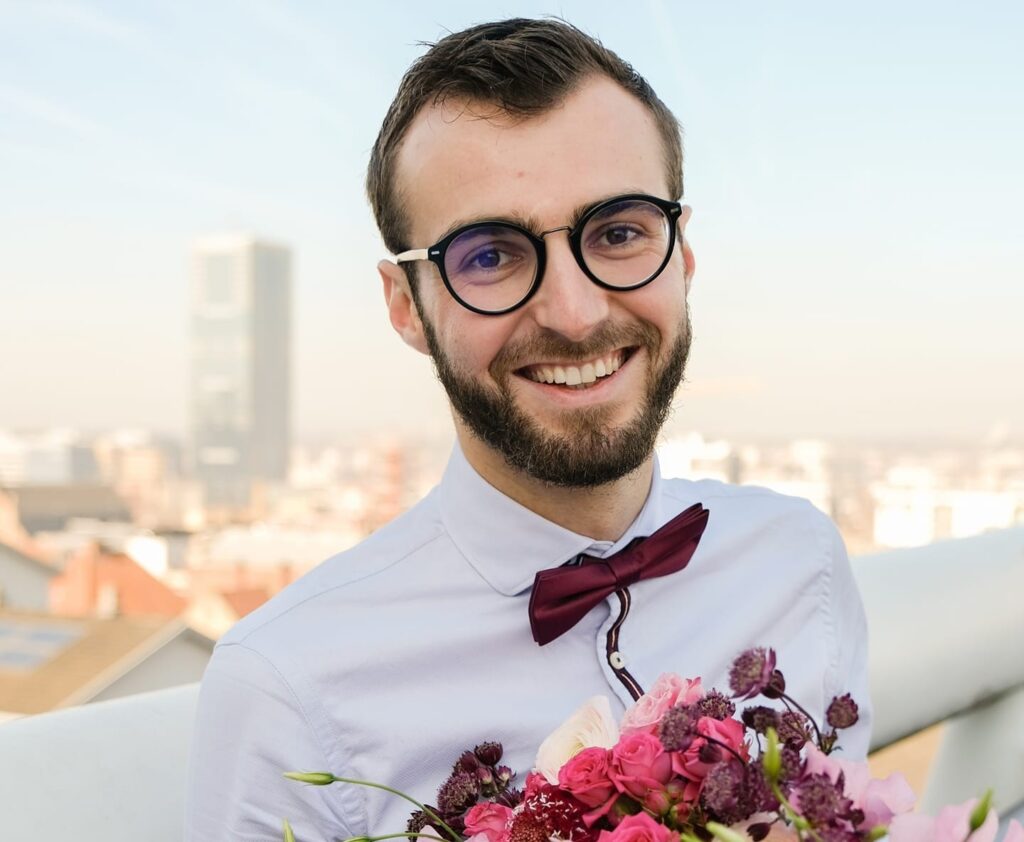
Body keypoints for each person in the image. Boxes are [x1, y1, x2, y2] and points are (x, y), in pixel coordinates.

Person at [184, 18, 871, 842]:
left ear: (681, 255)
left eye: (618, 233)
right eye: (490, 255)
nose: (575, 315)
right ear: (406, 307)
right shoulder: (288, 688)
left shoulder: (800, 561)